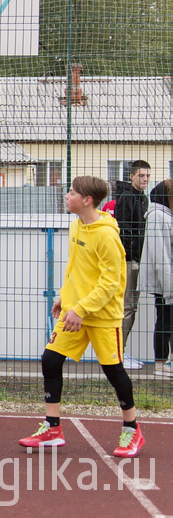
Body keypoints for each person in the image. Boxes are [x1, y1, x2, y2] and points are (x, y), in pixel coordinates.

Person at [17, 175, 144, 458]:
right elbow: (76, 268)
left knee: (113, 370)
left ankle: (132, 429)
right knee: (50, 359)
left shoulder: (107, 235)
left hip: (101, 316)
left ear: (87, 200)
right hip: (75, 311)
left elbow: (111, 283)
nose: (66, 195)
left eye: (72, 192)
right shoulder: (76, 225)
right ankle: (52, 428)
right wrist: (67, 296)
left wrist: (82, 308)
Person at [114, 159, 151, 369]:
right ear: (131, 176)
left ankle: (120, 352)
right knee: (127, 307)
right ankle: (118, 354)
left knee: (130, 307)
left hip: (135, 258)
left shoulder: (141, 197)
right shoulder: (128, 197)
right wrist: (132, 254)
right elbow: (124, 228)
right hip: (128, 259)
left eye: (147, 176)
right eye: (141, 176)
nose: (145, 179)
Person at [139, 179, 173, 378]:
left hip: (167, 278)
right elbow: (160, 255)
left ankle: (166, 362)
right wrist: (169, 287)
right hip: (164, 281)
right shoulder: (157, 216)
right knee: (164, 322)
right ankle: (160, 364)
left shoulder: (164, 215)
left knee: (167, 321)